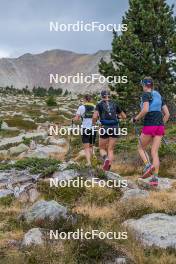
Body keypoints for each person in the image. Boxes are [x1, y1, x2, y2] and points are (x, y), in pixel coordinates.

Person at [132, 77, 170, 186]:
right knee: (154, 152)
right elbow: (167, 114)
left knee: (140, 147)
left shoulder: (145, 94)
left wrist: (135, 118)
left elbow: (145, 110)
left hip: (150, 123)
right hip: (160, 125)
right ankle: (155, 179)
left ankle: (148, 166)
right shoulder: (158, 94)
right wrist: (161, 124)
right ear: (152, 85)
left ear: (144, 85)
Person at [93, 90, 126, 171]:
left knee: (101, 148)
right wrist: (118, 118)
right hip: (115, 127)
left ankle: (106, 159)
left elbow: (94, 116)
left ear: (102, 96)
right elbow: (124, 116)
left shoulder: (99, 104)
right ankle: (108, 168)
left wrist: (95, 123)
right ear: (109, 96)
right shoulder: (115, 103)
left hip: (104, 127)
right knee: (110, 149)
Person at [73, 95, 96, 167]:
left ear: (85, 100)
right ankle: (94, 160)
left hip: (85, 128)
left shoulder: (81, 107)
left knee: (86, 147)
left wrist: (73, 119)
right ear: (91, 100)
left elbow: (76, 119)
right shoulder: (95, 107)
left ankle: (89, 162)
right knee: (91, 146)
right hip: (93, 128)